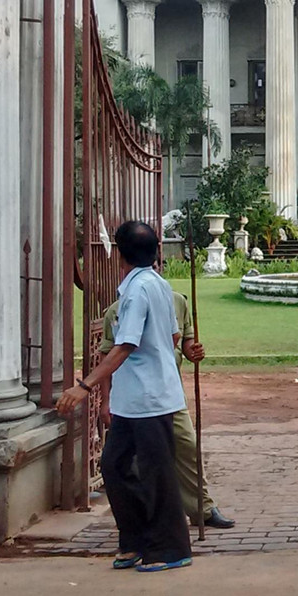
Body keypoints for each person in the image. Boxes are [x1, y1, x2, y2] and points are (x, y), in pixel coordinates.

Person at [57, 221, 193, 572]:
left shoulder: (140, 291)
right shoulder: (158, 286)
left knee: (156, 473)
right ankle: (134, 540)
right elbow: (173, 337)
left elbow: (125, 345)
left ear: (119, 254)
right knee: (114, 468)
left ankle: (169, 547)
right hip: (133, 400)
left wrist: (84, 386)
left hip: (151, 398)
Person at [99, 290, 235, 528]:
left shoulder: (177, 302)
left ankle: (201, 508)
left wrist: (193, 351)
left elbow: (186, 341)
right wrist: (105, 400)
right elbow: (107, 358)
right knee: (137, 457)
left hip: (170, 392)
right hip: (134, 397)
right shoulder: (117, 310)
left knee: (188, 446)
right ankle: (143, 516)